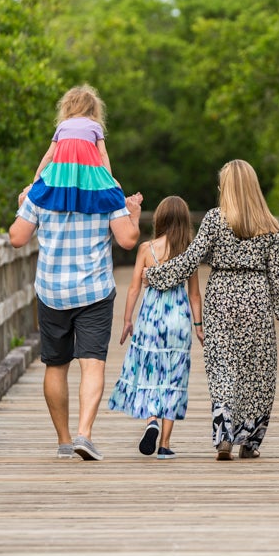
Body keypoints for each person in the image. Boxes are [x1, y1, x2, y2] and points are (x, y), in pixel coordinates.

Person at [9, 91, 143, 461]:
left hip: (52, 290)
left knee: (55, 365)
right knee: (92, 363)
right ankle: (85, 433)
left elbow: (17, 238)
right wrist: (130, 211)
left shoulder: (44, 188)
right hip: (95, 290)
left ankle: (65, 442)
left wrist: (25, 201)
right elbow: (129, 241)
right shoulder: (106, 189)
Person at [143, 160, 279, 460]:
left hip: (222, 297)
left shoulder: (214, 220)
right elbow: (277, 272)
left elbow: (191, 259)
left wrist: (157, 275)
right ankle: (249, 442)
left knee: (222, 367)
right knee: (258, 372)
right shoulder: (269, 225)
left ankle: (224, 433)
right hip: (256, 299)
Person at [108, 196, 203, 460]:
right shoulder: (189, 251)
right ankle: (165, 443)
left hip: (150, 318)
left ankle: (151, 418)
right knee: (174, 377)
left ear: (160, 219)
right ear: (185, 221)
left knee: (151, 370)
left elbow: (135, 288)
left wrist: (128, 320)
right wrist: (198, 326)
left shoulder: (146, 249)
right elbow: (194, 295)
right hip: (178, 319)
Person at [21, 84, 125, 214]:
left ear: (67, 106)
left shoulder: (62, 126)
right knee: (116, 190)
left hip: (62, 175)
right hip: (87, 174)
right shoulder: (95, 126)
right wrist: (108, 178)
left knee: (43, 192)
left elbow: (49, 155)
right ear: (93, 109)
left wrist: (37, 176)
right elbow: (103, 154)